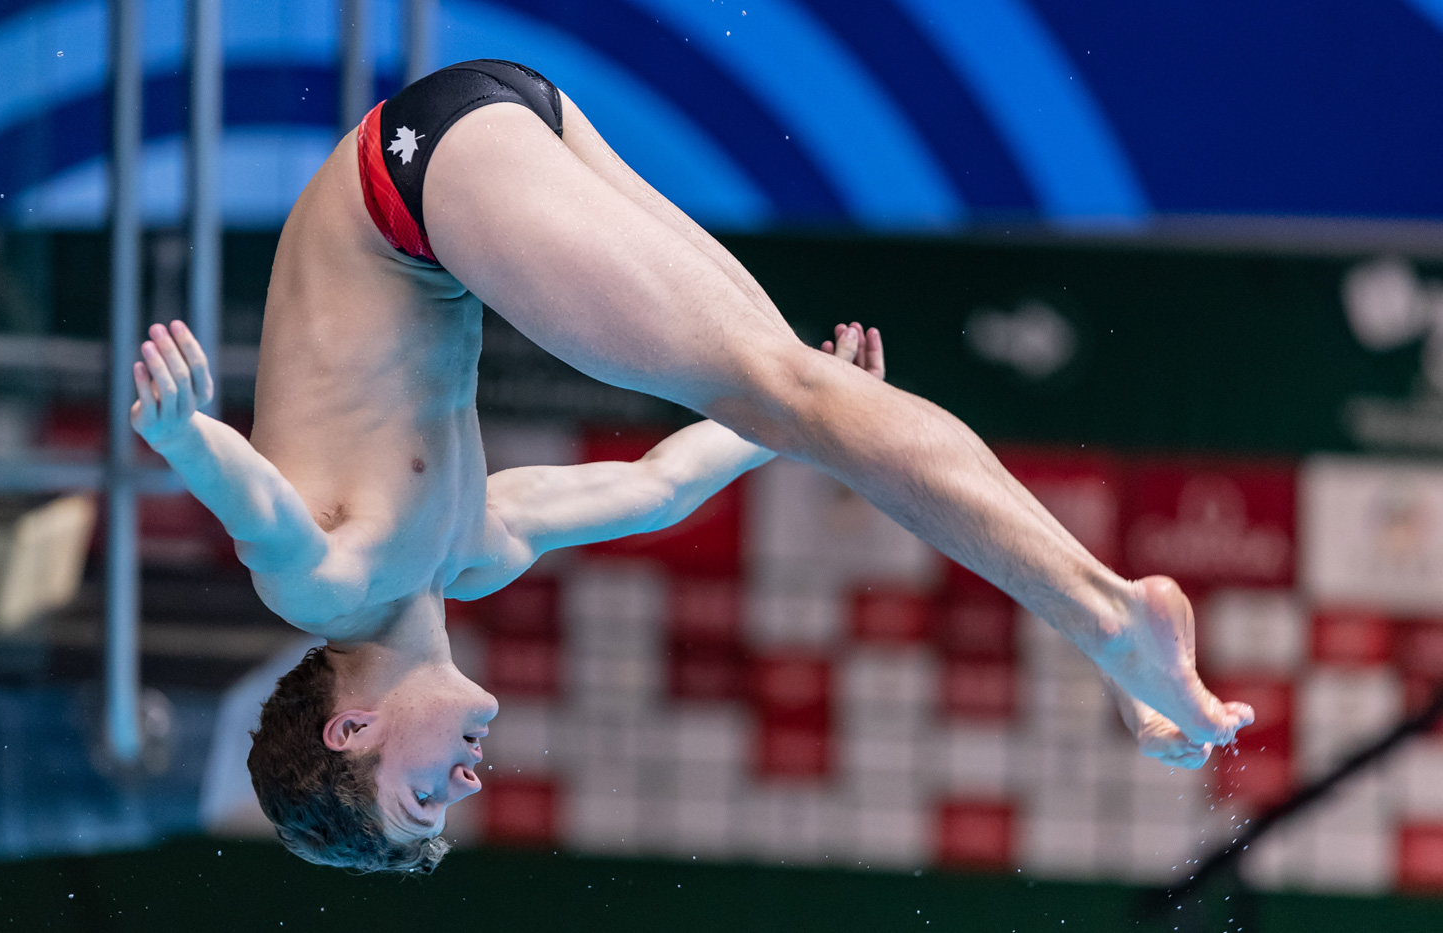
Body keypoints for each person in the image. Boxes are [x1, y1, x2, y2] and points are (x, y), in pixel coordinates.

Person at [129, 60, 1252, 873]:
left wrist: (184, 436)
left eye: (425, 796)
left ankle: (1108, 621)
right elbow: (653, 487)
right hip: (482, 141)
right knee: (799, 399)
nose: (466, 781)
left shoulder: (329, 587)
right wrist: (782, 425)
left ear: (351, 730)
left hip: (413, 191)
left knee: (793, 397)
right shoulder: (466, 554)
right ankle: (1106, 628)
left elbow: (261, 511)